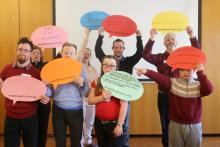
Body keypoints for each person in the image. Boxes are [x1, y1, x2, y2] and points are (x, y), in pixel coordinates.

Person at [142, 26, 200, 147]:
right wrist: (152, 38)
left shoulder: (184, 57)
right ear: (164, 43)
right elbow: (146, 55)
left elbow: (196, 53)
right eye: (168, 39)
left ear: (176, 42)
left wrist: (192, 36)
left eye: (173, 39)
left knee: (180, 124)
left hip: (180, 96)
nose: (170, 41)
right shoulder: (159, 58)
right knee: (165, 125)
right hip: (164, 97)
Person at [136, 63, 213, 147]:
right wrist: (146, 71)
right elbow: (160, 78)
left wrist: (200, 73)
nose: (185, 72)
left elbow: (209, 89)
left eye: (188, 70)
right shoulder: (173, 83)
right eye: (182, 70)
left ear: (194, 70)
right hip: (175, 124)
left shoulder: (198, 86)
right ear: (178, 71)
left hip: (194, 125)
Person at [95, 28, 143, 146]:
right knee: (108, 128)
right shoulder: (107, 60)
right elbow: (97, 51)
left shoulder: (129, 62)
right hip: (108, 98)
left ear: (123, 48)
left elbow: (139, 53)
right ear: (112, 48)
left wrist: (138, 37)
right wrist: (101, 36)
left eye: (120, 47)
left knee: (123, 126)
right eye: (116, 47)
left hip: (123, 100)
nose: (118, 49)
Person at [0, 37, 50, 147]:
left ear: (30, 53)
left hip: (30, 118)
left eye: (26, 50)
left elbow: (41, 93)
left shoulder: (36, 73)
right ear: (16, 50)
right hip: (11, 118)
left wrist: (45, 99)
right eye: (20, 49)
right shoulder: (7, 69)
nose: (22, 52)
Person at [52, 42, 89, 147]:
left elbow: (87, 92)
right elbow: (49, 91)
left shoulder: (81, 68)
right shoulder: (55, 68)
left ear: (75, 54)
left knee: (76, 142)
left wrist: (81, 84)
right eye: (66, 52)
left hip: (76, 110)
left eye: (71, 53)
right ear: (61, 53)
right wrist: (47, 89)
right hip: (58, 110)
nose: (68, 55)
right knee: (59, 143)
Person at [88, 55, 128, 147]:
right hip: (99, 122)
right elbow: (90, 100)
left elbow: (124, 105)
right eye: (105, 65)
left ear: (116, 67)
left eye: (111, 66)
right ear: (102, 66)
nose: (108, 68)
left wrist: (120, 125)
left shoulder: (121, 83)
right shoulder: (97, 81)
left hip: (115, 124)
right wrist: (102, 97)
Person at [77, 29, 98, 147]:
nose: (85, 55)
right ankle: (79, 142)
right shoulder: (77, 66)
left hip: (91, 98)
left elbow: (97, 83)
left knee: (90, 122)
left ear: (90, 56)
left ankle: (87, 141)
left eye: (88, 54)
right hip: (80, 98)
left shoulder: (94, 69)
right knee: (80, 122)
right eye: (84, 53)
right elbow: (79, 53)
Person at [31, 46, 51, 147]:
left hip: (44, 102)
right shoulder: (27, 67)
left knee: (43, 128)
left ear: (41, 55)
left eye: (38, 53)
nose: (36, 55)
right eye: (33, 53)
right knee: (32, 129)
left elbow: (52, 84)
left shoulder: (46, 65)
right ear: (30, 55)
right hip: (30, 104)